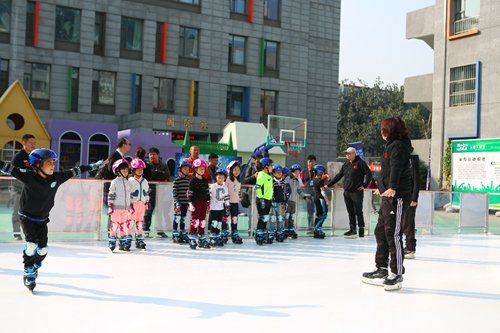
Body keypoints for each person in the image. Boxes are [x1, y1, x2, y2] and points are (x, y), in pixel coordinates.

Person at [0, 149, 104, 291]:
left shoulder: (57, 177)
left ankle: (35, 264)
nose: (53, 164)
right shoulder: (28, 176)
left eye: (53, 161)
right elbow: (7, 167)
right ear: (37, 165)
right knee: (31, 245)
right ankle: (28, 270)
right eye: (49, 162)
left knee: (43, 250)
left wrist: (92, 166)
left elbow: (75, 170)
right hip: (27, 216)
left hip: (42, 219)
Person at [362, 117, 413, 291]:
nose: (381, 133)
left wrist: (392, 187)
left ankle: (397, 273)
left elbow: (397, 167)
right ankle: (381, 268)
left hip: (396, 197)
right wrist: (382, 188)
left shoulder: (398, 146)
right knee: (380, 232)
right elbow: (388, 169)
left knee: (393, 234)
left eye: (383, 129)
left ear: (390, 130)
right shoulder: (391, 146)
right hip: (388, 196)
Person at [327, 147, 372, 239]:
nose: (347, 155)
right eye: (346, 153)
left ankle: (361, 229)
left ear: (354, 154)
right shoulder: (346, 164)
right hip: (347, 191)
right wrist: (329, 184)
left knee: (358, 211)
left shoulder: (360, 163)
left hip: (357, 191)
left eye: (348, 153)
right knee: (350, 211)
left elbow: (368, 173)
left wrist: (364, 184)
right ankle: (352, 229)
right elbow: (339, 176)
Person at [10, 134, 36, 241]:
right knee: (18, 211)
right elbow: (13, 172)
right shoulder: (18, 157)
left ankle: (29, 234)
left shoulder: (34, 157)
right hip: (19, 190)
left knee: (30, 213)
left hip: (31, 190)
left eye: (35, 143)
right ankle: (17, 233)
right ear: (24, 143)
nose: (33, 145)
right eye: (31, 143)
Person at [108, 159, 133, 252]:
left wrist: (131, 206)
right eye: (124, 170)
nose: (126, 172)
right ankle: (112, 239)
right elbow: (111, 194)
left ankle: (122, 241)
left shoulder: (128, 182)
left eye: (127, 170)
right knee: (114, 224)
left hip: (125, 209)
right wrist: (110, 206)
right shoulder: (114, 182)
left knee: (123, 225)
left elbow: (129, 196)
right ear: (117, 171)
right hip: (116, 208)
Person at [144, 147, 170, 238]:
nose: (152, 156)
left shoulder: (164, 165)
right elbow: (148, 175)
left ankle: (160, 230)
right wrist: (159, 174)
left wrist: (155, 173)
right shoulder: (146, 166)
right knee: (148, 211)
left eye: (154, 154)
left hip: (162, 192)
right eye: (150, 154)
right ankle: (146, 229)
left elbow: (166, 175)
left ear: (158, 155)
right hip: (150, 192)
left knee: (160, 211)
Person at [187, 158, 211, 249]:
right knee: (195, 220)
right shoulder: (193, 181)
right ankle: (192, 237)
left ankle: (201, 237)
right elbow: (190, 193)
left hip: (203, 202)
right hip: (196, 202)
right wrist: (190, 203)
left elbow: (207, 192)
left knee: (202, 221)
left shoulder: (205, 180)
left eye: (203, 168)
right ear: (195, 169)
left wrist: (208, 202)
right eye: (200, 168)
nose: (202, 170)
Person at [128, 158, 149, 250]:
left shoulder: (145, 181)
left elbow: (147, 192)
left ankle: (139, 238)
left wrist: (146, 202)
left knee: (140, 222)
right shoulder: (130, 181)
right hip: (133, 204)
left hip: (142, 205)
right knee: (130, 222)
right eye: (138, 169)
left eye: (142, 169)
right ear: (133, 170)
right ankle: (127, 238)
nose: (140, 171)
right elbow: (127, 193)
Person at [403, 153, 421, 259]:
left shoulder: (412, 161)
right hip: (402, 197)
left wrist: (414, 198)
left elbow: (416, 181)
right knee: (403, 223)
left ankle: (410, 248)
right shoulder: (402, 161)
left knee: (408, 223)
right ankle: (408, 246)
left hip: (410, 198)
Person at [285, 164, 309, 239]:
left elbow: (299, 190)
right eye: (296, 172)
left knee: (292, 216)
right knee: (287, 216)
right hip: (287, 201)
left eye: (298, 173)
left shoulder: (297, 181)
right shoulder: (287, 179)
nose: (297, 174)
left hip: (293, 201)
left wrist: (304, 196)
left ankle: (291, 229)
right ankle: (285, 229)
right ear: (292, 172)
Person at [208, 169, 230, 246]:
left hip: (221, 208)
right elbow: (209, 197)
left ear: (224, 178)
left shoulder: (225, 187)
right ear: (216, 177)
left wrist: (227, 207)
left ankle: (217, 236)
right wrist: (208, 205)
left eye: (222, 177)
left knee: (219, 223)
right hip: (213, 208)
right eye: (219, 177)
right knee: (214, 223)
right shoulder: (213, 186)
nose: (220, 179)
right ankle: (212, 237)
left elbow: (226, 197)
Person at [254, 157, 274, 245]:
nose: (272, 167)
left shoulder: (268, 175)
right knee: (262, 218)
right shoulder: (261, 175)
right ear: (265, 166)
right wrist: (261, 198)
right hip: (262, 199)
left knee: (265, 218)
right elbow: (258, 187)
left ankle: (263, 233)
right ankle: (258, 235)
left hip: (268, 199)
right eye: (271, 165)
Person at [172, 160, 192, 244]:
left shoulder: (188, 181)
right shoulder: (177, 181)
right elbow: (174, 192)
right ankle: (175, 232)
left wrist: (190, 202)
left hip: (185, 203)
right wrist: (177, 202)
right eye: (185, 169)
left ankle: (182, 232)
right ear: (180, 170)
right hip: (178, 203)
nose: (187, 170)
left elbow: (189, 193)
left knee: (183, 218)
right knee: (177, 218)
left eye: (188, 169)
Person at [269, 164, 290, 242]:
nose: (279, 173)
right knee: (272, 219)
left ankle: (280, 233)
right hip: (272, 203)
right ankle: (271, 233)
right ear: (273, 173)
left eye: (280, 172)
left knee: (280, 219)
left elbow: (285, 193)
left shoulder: (283, 183)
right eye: (277, 172)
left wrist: (285, 203)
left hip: (280, 204)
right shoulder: (272, 182)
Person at [225, 160, 243, 244]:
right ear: (231, 170)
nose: (237, 172)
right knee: (225, 219)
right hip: (227, 203)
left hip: (235, 203)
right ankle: (224, 232)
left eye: (238, 170)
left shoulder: (238, 181)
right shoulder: (228, 179)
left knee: (234, 219)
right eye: (235, 170)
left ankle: (234, 232)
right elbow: (224, 190)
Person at [311, 164, 328, 239]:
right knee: (323, 215)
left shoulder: (314, 180)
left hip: (315, 198)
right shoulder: (320, 181)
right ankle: (317, 228)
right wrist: (327, 201)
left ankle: (317, 230)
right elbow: (323, 192)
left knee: (318, 214)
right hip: (320, 199)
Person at [300, 155, 317, 229]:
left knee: (316, 209)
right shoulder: (304, 171)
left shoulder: (316, 171)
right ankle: (310, 225)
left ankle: (315, 225)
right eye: (309, 161)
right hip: (307, 192)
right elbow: (301, 182)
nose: (311, 163)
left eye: (312, 161)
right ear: (307, 162)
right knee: (309, 209)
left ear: (315, 162)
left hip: (315, 192)